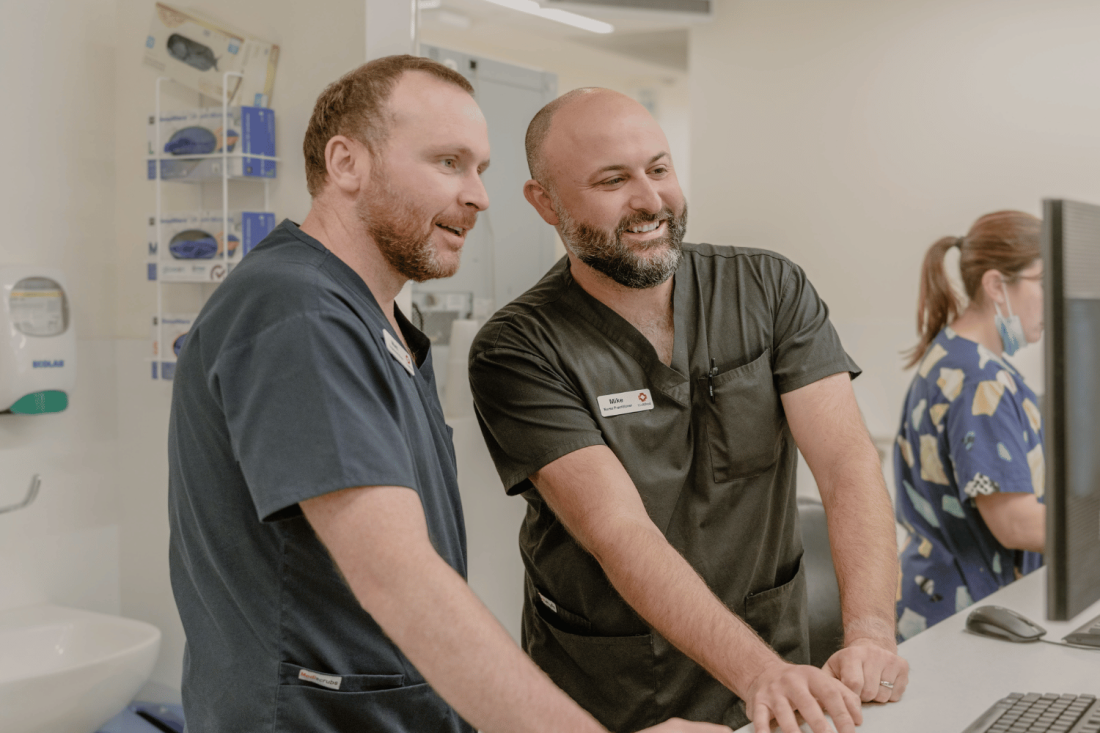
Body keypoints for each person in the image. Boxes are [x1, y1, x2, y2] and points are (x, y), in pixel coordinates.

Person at [167, 56, 725, 733]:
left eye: (481, 169)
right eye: (448, 162)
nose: (480, 196)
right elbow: (398, 578)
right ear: (347, 164)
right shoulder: (297, 309)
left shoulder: (377, 322)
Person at [467, 87, 909, 733]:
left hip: (783, 689)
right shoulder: (520, 347)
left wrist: (871, 632)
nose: (650, 200)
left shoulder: (768, 289)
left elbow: (846, 463)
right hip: (620, 700)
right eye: (613, 179)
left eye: (660, 168)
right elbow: (619, 531)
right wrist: (758, 673)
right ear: (545, 202)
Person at [894, 210, 1046, 640]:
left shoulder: (955, 357)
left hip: (945, 603)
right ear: (997, 285)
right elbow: (1015, 523)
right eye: (1044, 281)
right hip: (963, 615)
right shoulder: (981, 380)